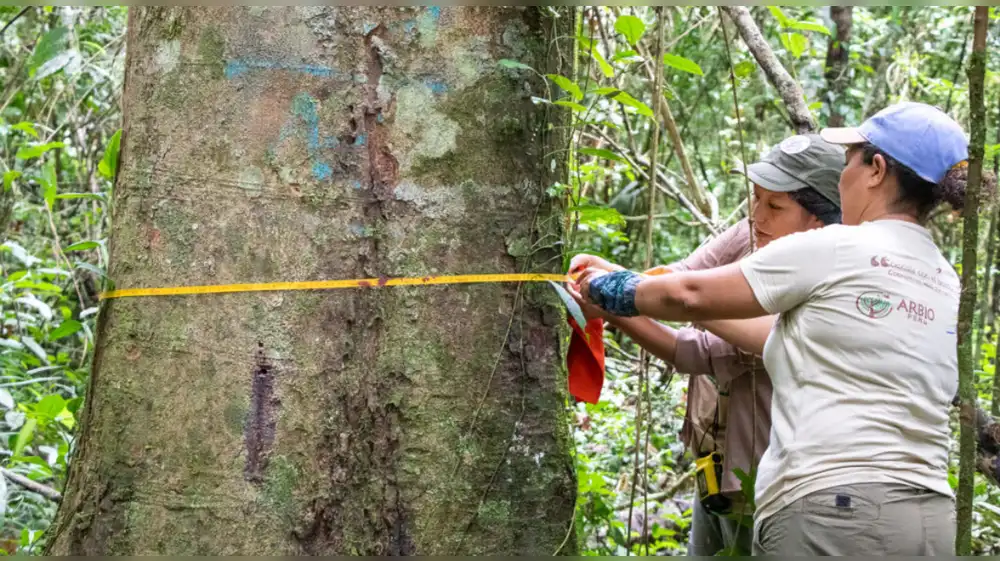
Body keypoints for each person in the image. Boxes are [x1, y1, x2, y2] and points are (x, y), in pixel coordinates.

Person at [571, 101, 998, 555]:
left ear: (875, 169)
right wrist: (628, 284)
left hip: (834, 511)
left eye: (848, 161)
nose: (841, 177)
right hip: (928, 518)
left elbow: (689, 295)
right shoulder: (944, 278)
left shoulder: (835, 247)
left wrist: (606, 288)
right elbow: (767, 334)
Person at [569, 133, 845, 555]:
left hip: (773, 481)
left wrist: (619, 296)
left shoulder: (830, 285)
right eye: (756, 198)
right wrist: (611, 281)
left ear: (819, 222)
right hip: (713, 464)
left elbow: (691, 343)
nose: (758, 215)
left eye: (775, 206)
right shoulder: (749, 235)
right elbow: (680, 276)